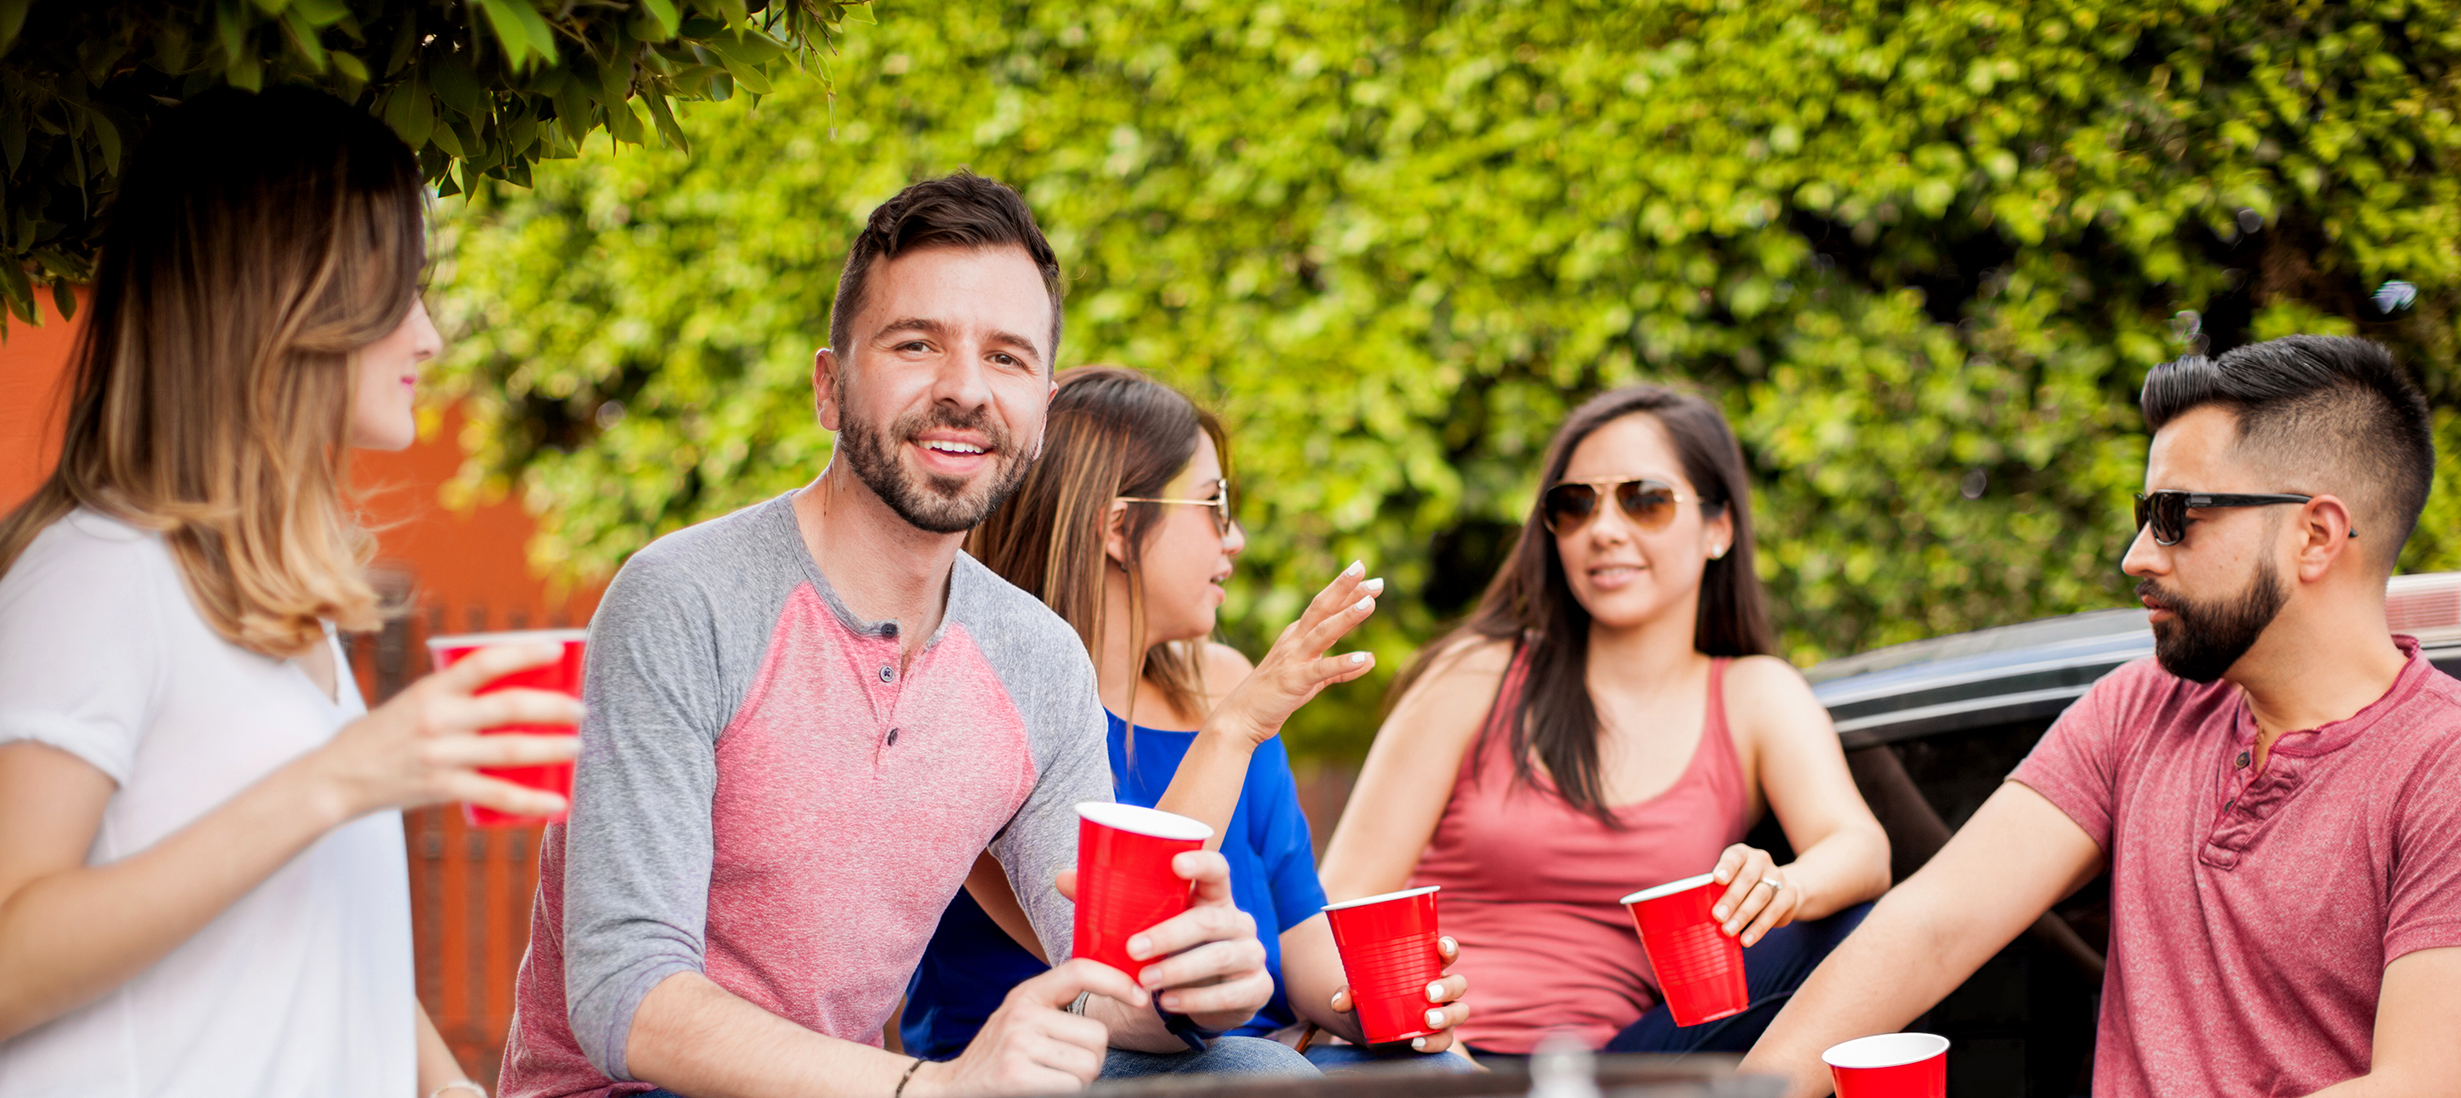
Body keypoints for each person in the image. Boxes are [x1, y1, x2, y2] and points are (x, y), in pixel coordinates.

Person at [499, 174, 1306, 1098]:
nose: (964, 389)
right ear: (830, 387)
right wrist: (927, 1088)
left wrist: (1188, 992)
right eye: (917, 344)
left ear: (1041, 412)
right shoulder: (683, 599)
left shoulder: (1038, 661)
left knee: (1255, 1068)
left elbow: (1100, 979)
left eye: (1006, 358)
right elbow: (625, 995)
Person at [0, 89, 583, 1098]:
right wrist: (340, 778)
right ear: (285, 305)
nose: (430, 338)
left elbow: (291, 908)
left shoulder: (265, 608)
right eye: (399, 295)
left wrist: (440, 1081)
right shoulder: (98, 575)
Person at [1739, 335, 2461, 1098]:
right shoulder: (2139, 709)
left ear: (2316, 535)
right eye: (2145, 514)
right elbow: (1932, 926)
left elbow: (2428, 1083)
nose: (2137, 554)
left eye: (2174, 515)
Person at [900, 367, 1473, 1072]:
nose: (1233, 541)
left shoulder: (1225, 686)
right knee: (1268, 1073)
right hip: (1053, 1065)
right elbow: (1133, 950)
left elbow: (1298, 931)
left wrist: (1390, 1005)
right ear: (1117, 527)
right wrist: (1231, 734)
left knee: (1440, 1072)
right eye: (1213, 505)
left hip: (1251, 1058)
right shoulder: (979, 715)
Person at [1322, 385, 1891, 1057]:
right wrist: (1443, 1056)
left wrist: (1782, 887)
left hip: (1609, 1068)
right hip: (1425, 1055)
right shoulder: (1477, 675)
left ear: (1719, 528)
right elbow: (1343, 900)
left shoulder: (1754, 696)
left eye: (1645, 499)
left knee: (1863, 932)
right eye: (1576, 504)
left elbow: (1860, 848)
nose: (1606, 529)